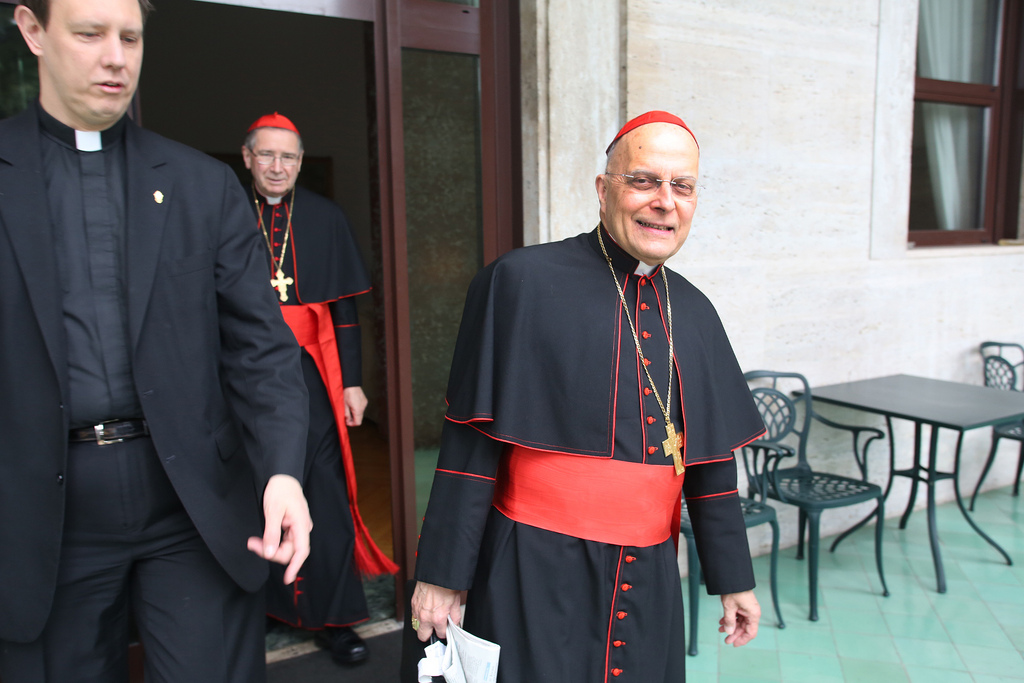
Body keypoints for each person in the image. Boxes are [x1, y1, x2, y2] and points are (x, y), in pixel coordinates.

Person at [0, 1, 313, 681]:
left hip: (191, 504)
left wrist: (283, 471)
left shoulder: (200, 184)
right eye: (90, 34)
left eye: (131, 37)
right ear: (32, 31)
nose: (116, 57)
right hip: (42, 515)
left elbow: (260, 349)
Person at [409, 110, 766, 681]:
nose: (665, 201)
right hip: (532, 569)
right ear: (604, 190)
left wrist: (734, 579)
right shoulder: (520, 282)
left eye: (683, 186)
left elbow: (709, 462)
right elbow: (470, 448)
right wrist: (442, 575)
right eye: (644, 180)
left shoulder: (696, 312)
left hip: (650, 577)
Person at [241, 112, 397, 665]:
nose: (276, 166)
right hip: (242, 375)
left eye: (288, 156)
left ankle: (335, 618)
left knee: (324, 493)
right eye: (266, 154)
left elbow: (344, 310)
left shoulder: (325, 217)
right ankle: (266, 607)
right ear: (247, 158)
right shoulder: (227, 213)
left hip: (314, 372)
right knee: (250, 491)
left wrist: (352, 382)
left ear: (300, 162)